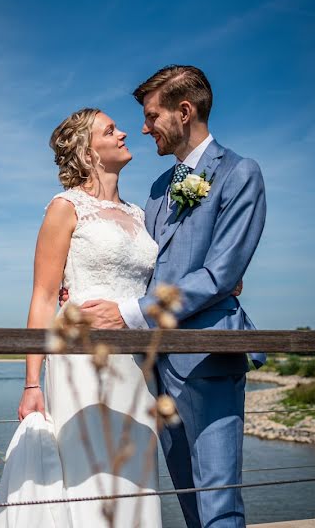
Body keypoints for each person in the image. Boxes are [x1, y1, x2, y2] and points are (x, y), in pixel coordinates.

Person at [68, 65, 267, 528]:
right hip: (154, 366)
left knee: (219, 501)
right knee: (188, 500)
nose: (142, 128)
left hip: (208, 356)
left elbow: (220, 273)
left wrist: (130, 313)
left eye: (151, 115)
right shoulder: (158, 187)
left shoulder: (240, 173)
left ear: (184, 111)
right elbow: (144, 264)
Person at [0, 107, 163, 528]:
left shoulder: (141, 215)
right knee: (91, 478)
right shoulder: (64, 208)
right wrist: (32, 382)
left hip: (138, 365)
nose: (124, 132)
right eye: (110, 129)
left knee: (136, 480)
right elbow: (43, 296)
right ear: (88, 153)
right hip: (82, 361)